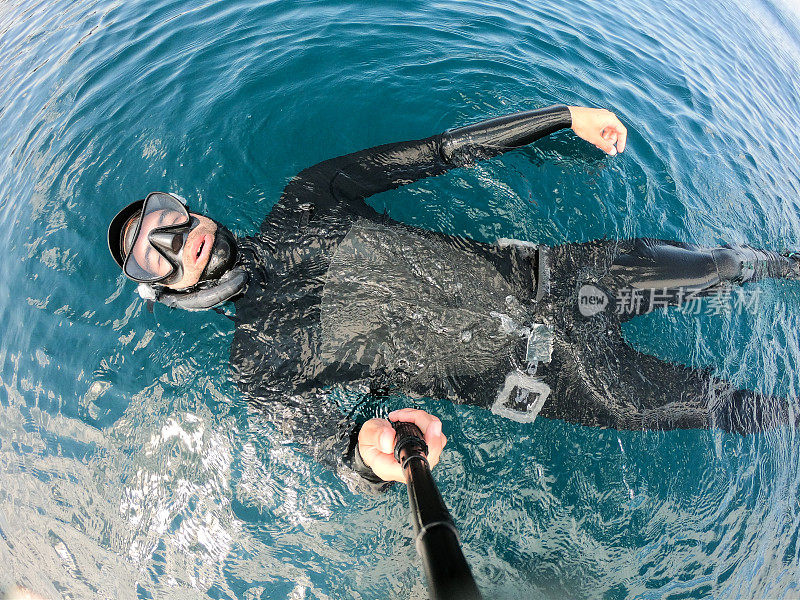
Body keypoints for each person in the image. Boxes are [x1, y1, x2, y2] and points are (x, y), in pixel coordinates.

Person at [108, 104, 800, 490]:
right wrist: (369, 455)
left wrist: (563, 116)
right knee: (745, 410)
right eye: (151, 255)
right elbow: (341, 452)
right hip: (563, 381)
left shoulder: (307, 199)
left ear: (194, 211)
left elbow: (438, 152)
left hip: (571, 275)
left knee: (740, 264)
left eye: (172, 219)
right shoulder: (257, 363)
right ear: (163, 292)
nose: (176, 241)